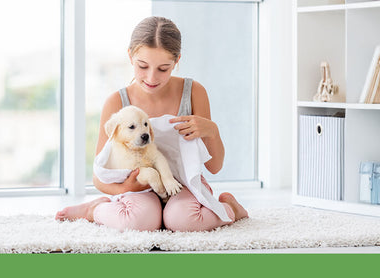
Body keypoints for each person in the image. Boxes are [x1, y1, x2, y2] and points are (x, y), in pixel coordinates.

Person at [55, 16, 248, 232]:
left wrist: (212, 131)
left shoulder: (193, 92)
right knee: (138, 222)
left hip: (183, 185)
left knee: (182, 220)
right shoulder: (118, 103)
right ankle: (94, 210)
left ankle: (230, 207)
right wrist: (127, 187)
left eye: (163, 68)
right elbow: (99, 177)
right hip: (140, 187)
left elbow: (214, 167)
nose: (151, 77)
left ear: (177, 61)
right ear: (130, 56)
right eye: (143, 66)